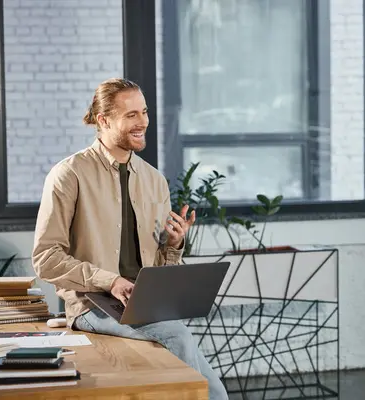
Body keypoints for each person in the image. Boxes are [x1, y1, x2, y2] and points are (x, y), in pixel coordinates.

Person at [32, 78, 229, 400]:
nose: (143, 122)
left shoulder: (154, 180)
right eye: (131, 115)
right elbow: (46, 257)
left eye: (145, 112)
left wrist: (173, 244)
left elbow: (162, 268)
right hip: (92, 304)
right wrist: (110, 281)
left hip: (144, 303)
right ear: (104, 120)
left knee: (182, 345)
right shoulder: (69, 174)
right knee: (176, 336)